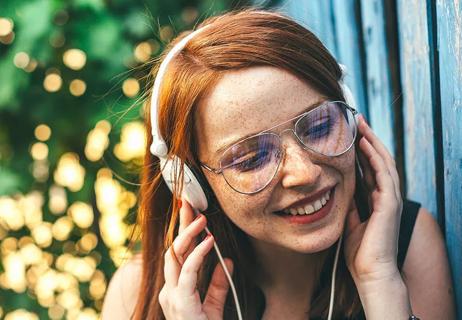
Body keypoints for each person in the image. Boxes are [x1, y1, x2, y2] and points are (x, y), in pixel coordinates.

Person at [101, 9, 455, 320]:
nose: (305, 173)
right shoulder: (134, 296)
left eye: (319, 126)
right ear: (192, 183)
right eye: (251, 158)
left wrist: (381, 288)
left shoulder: (402, 248)